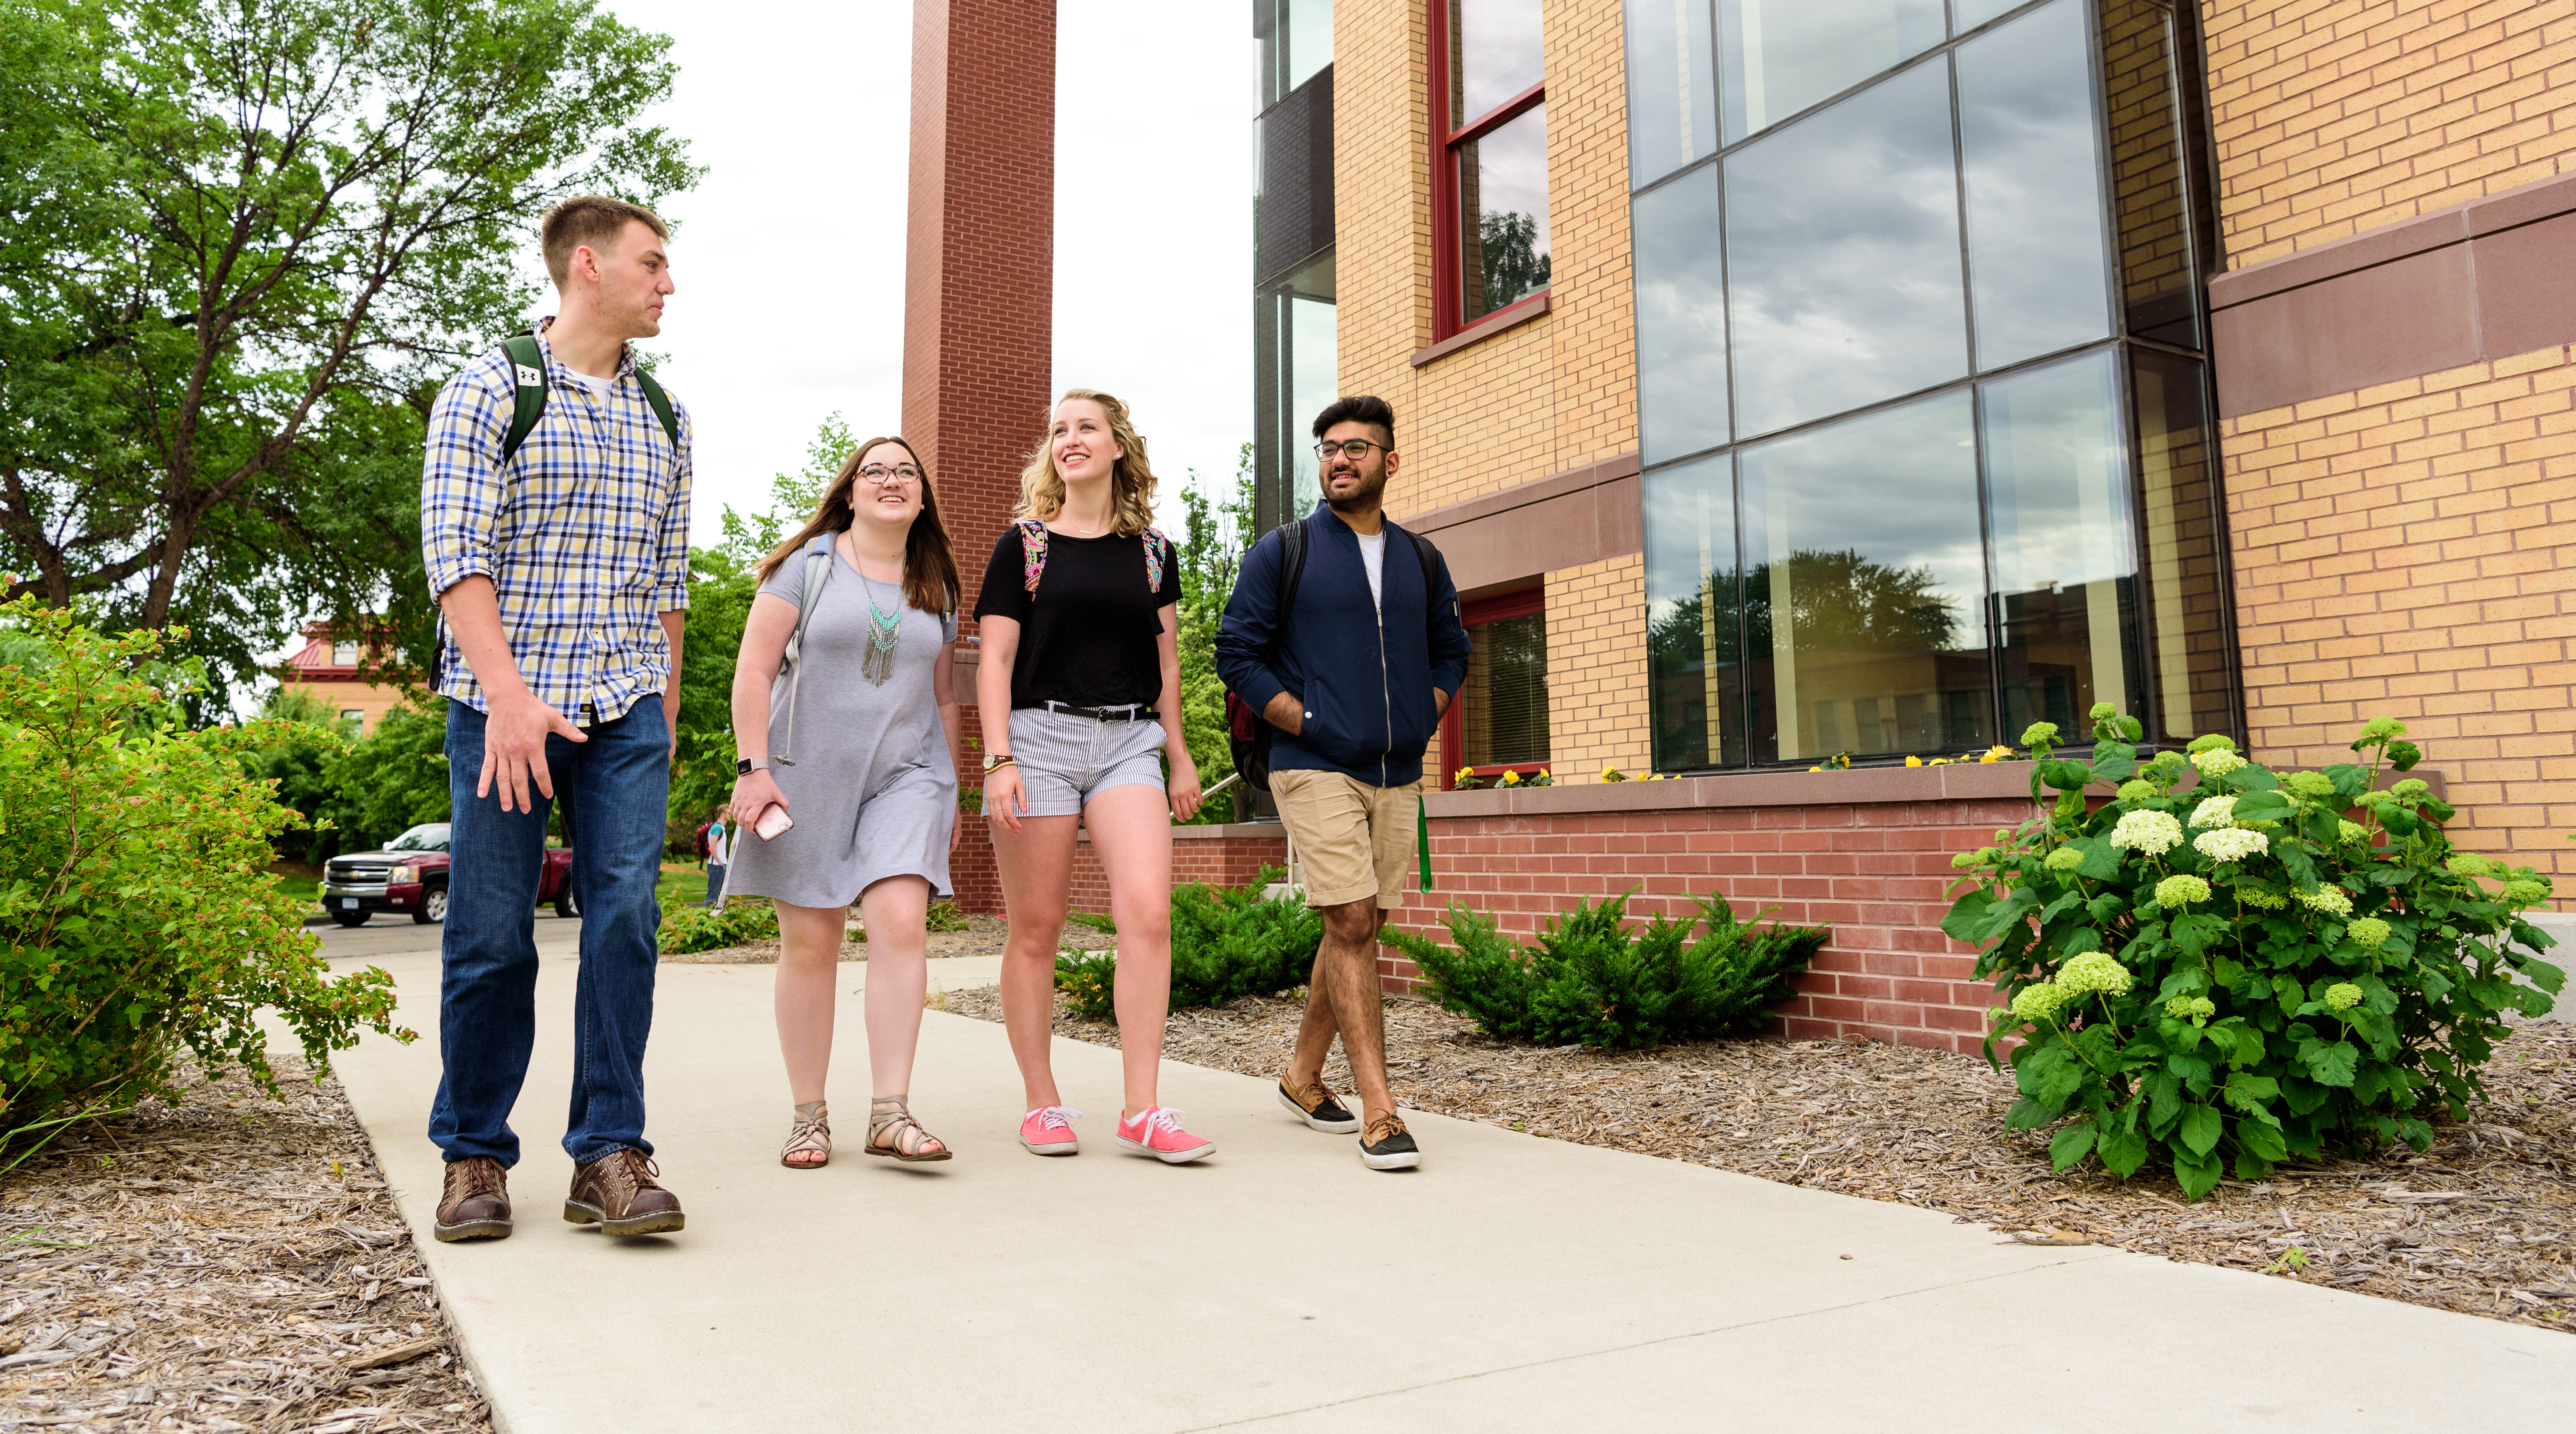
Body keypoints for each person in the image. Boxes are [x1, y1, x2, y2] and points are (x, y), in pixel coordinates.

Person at [420, 195, 691, 1240]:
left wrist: (663, 710)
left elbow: (667, 576)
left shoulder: (666, 414)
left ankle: (609, 1153)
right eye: (653, 264)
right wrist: (506, 694)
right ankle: (474, 1154)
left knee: (624, 918)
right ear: (587, 265)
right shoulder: (491, 386)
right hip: (507, 704)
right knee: (493, 932)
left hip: (624, 702)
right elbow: (458, 553)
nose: (669, 283)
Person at [1216, 395, 1470, 1171]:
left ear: (1390, 463)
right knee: (1353, 921)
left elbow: (1451, 651)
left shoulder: (1421, 559)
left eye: (1357, 448)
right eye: (1328, 449)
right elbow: (1237, 653)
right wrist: (1308, 721)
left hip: (1396, 770)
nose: (1339, 460)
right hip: (1312, 764)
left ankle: (1301, 1077)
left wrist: (1423, 716)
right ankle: (1381, 1111)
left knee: (1354, 927)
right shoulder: (1283, 551)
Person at [975, 389, 1210, 1162]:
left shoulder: (1153, 553)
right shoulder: (1025, 545)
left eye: (1087, 428)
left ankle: (1141, 1109)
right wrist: (999, 757)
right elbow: (996, 660)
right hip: (1037, 738)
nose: (1070, 439)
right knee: (1037, 927)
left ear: (1117, 447)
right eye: (1060, 430)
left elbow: (1168, 664)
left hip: (1127, 742)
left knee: (1146, 915)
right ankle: (1043, 1104)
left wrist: (1178, 751)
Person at [724, 437, 966, 1169]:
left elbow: (944, 696)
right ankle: (809, 1116)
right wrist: (752, 767)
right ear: (851, 492)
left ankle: (890, 1112)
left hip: (907, 776)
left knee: (901, 926)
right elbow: (753, 670)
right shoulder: (808, 567)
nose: (891, 480)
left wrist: (950, 789)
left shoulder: (938, 584)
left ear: (922, 497)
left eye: (906, 472)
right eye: (875, 471)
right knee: (812, 941)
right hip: (807, 775)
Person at [703, 812, 731, 906]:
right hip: (716, 865)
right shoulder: (717, 828)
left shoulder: (721, 828)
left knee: (719, 895)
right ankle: (707, 916)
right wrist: (719, 862)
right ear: (723, 814)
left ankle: (714, 917)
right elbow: (712, 847)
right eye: (729, 813)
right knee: (713, 895)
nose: (730, 815)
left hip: (720, 864)